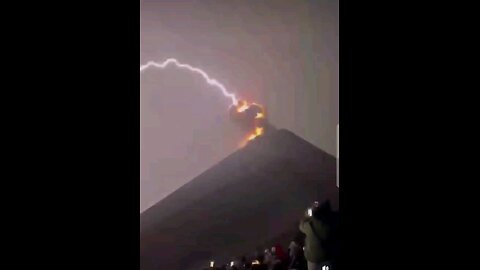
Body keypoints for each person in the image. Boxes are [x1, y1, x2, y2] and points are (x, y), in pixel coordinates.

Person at [299, 200, 334, 270]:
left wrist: (307, 216)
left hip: (313, 258)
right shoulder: (332, 222)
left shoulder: (310, 225)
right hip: (327, 256)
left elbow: (301, 226)